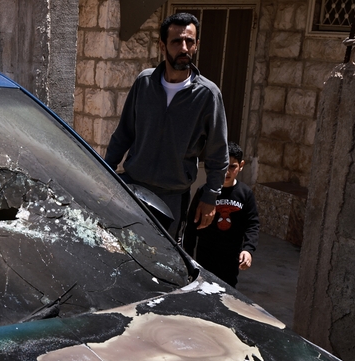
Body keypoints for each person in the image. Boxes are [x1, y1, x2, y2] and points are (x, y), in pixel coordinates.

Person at [104, 12, 228, 238]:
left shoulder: (208, 95)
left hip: (171, 199)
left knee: (162, 263)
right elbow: (124, 133)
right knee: (120, 249)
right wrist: (104, 172)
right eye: (176, 41)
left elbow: (218, 152)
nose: (184, 48)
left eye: (189, 41)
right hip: (132, 189)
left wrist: (210, 197)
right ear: (162, 45)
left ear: (197, 45)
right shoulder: (144, 83)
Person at [182, 142, 259, 287]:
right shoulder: (204, 192)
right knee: (202, 289)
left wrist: (248, 250)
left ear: (241, 166)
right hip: (205, 255)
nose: (227, 172)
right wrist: (188, 252)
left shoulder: (245, 194)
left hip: (231, 257)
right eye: (224, 166)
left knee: (226, 293)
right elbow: (191, 224)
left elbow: (252, 224)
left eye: (233, 166)